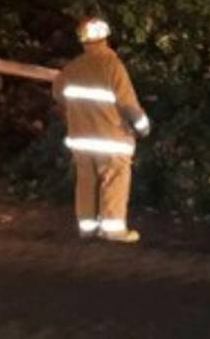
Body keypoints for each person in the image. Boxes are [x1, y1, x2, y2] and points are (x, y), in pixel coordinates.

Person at [52, 17, 150, 243]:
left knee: (86, 180)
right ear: (105, 38)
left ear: (83, 40)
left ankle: (87, 229)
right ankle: (114, 230)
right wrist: (142, 127)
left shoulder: (72, 68)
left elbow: (58, 93)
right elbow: (128, 104)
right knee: (114, 179)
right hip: (111, 139)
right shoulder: (112, 66)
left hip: (81, 139)